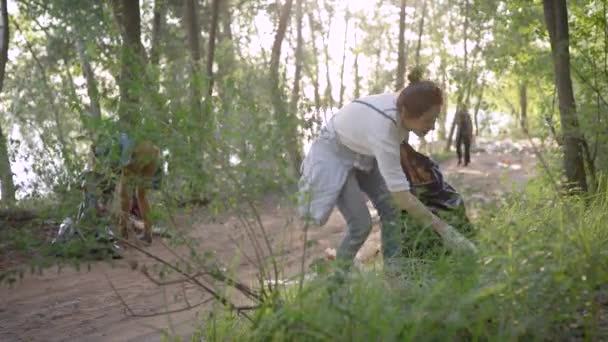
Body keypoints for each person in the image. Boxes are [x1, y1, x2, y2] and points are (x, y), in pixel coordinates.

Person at [298, 70, 477, 274]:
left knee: (391, 210)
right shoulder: (384, 131)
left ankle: (394, 274)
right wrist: (447, 233)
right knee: (361, 224)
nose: (433, 127)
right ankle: (337, 283)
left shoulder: (404, 105)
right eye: (428, 121)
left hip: (363, 148)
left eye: (435, 119)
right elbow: (401, 196)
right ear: (406, 115)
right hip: (335, 152)